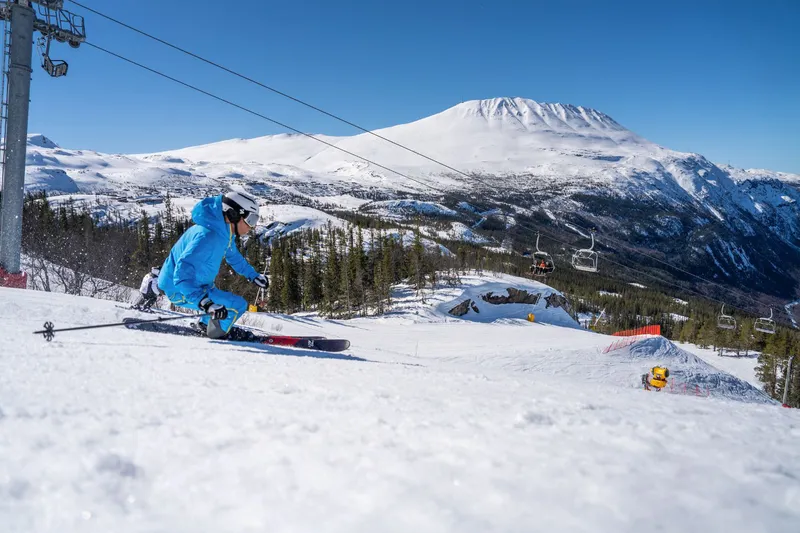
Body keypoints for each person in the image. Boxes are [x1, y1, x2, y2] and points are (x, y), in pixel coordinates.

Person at [158, 191, 269, 339]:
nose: (252, 227)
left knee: (223, 300)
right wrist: (205, 303)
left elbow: (233, 256)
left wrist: (253, 275)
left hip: (198, 286)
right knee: (237, 305)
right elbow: (181, 275)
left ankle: (206, 325)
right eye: (251, 219)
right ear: (234, 215)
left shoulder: (223, 232)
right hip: (180, 290)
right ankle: (218, 334)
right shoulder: (209, 237)